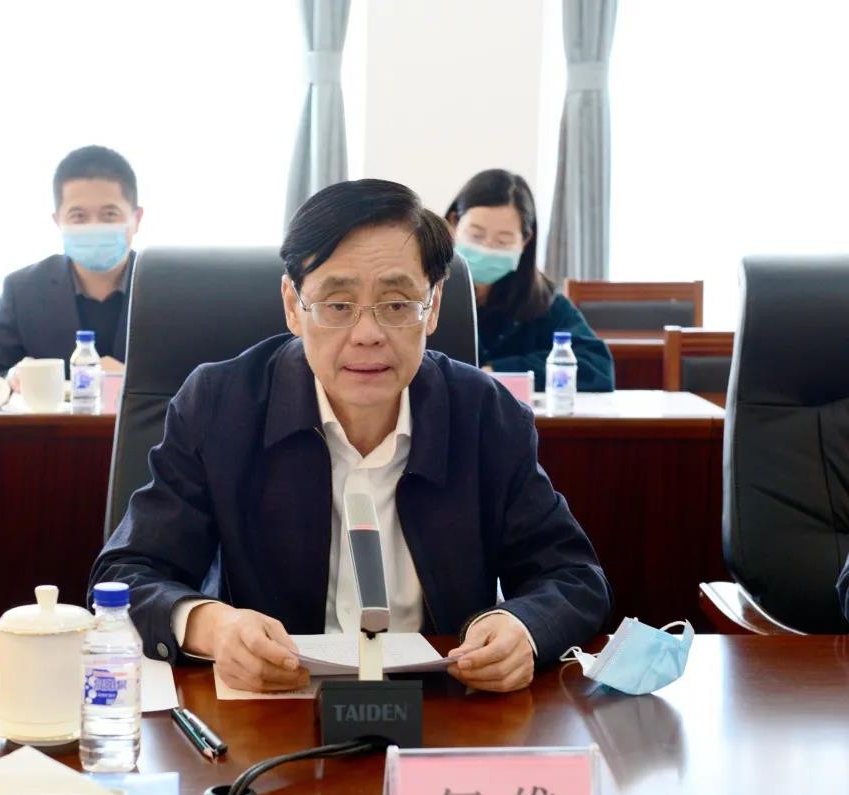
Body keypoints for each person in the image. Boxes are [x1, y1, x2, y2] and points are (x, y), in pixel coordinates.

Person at [90, 178, 611, 694]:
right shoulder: (220, 406)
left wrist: (520, 627)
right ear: (293, 305)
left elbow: (573, 576)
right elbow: (127, 575)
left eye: (397, 304)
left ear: (432, 307)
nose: (367, 334)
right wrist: (215, 628)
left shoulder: (486, 415)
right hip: (273, 708)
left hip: (441, 711)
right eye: (338, 305)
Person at [0, 145, 143, 383]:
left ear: (137, 219)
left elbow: (191, 381)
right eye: (78, 216)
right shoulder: (22, 289)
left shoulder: (168, 290)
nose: (93, 226)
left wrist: (131, 381)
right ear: (57, 221)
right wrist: (12, 377)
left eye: (109, 214)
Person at [445, 169, 614, 391]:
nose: (487, 248)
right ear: (453, 223)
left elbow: (597, 367)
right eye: (476, 235)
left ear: (525, 241)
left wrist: (498, 372)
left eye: (503, 241)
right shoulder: (427, 293)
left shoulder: (543, 301)